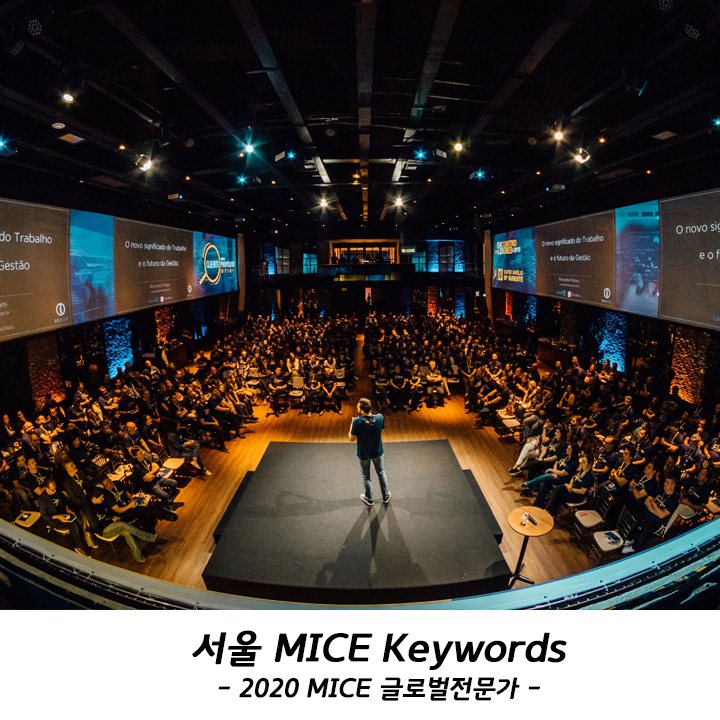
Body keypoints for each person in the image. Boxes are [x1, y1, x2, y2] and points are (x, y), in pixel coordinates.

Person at [348, 398, 390, 507]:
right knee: (381, 473)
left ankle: (369, 499)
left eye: (358, 406)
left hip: (364, 453)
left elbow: (351, 439)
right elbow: (381, 431)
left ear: (362, 410)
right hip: (377, 451)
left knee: (366, 476)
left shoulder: (357, 421)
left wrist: (351, 427)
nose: (357, 407)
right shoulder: (380, 418)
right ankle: (386, 496)